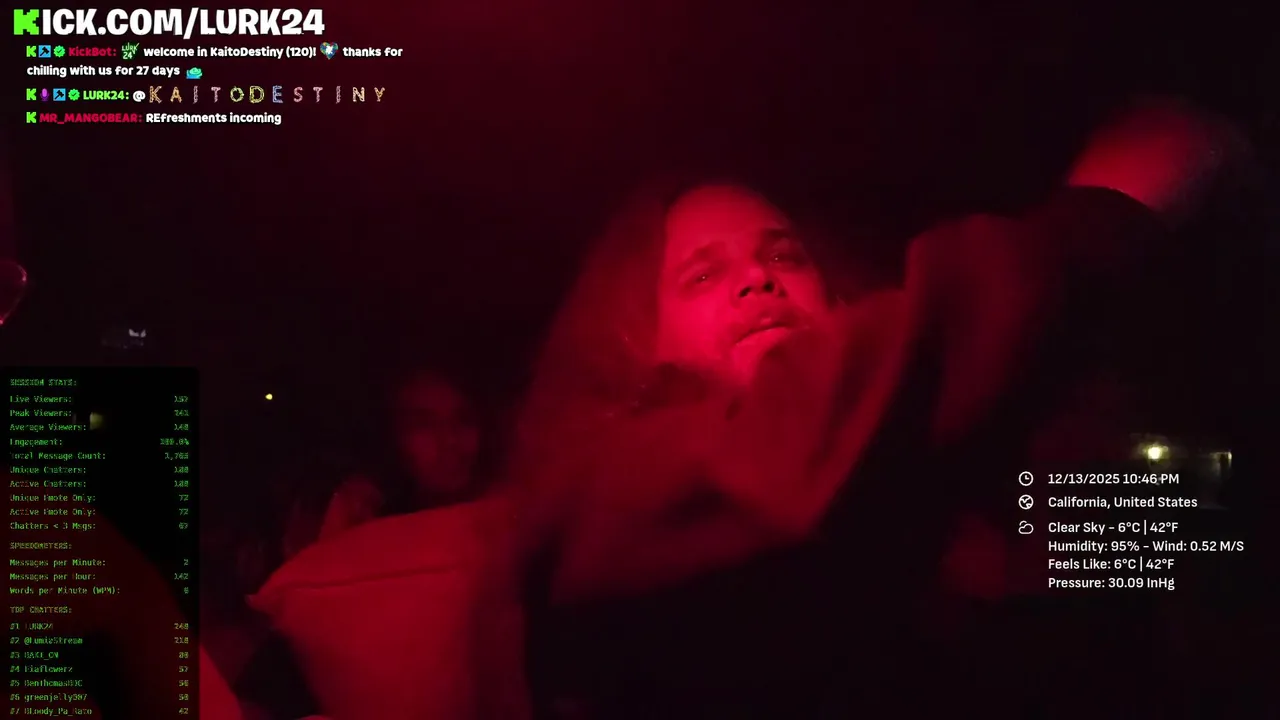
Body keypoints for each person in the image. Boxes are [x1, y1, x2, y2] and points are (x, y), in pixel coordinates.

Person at [477, 100, 1251, 718]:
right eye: (702, 275)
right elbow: (782, 456)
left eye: (784, 255)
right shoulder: (593, 504)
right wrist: (1097, 218)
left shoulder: (914, 488)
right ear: (634, 336)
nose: (759, 279)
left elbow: (1156, 542)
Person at [281, 367, 486, 558]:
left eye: (463, 420)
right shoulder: (365, 512)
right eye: (424, 424)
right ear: (394, 436)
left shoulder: (496, 521)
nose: (450, 440)